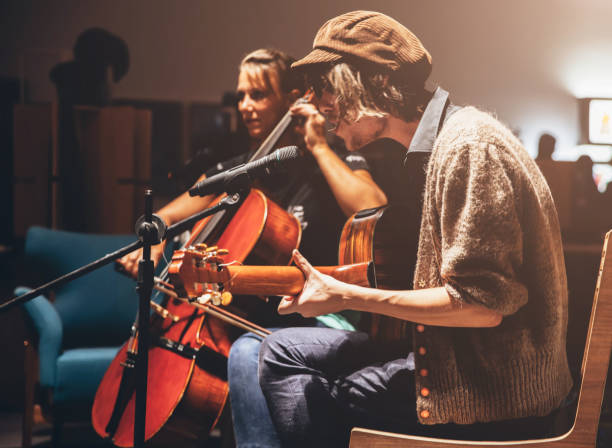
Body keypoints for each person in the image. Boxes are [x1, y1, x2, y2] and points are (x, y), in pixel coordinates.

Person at [254, 11, 573, 447]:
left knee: (329, 398)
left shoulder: (468, 147)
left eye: (327, 86)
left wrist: (347, 295)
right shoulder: (443, 143)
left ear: (367, 83)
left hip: (492, 388)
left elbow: (483, 304)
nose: (319, 103)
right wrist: (334, 280)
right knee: (279, 351)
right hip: (454, 357)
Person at [116, 47, 386, 444]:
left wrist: (320, 147)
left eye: (258, 95)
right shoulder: (236, 171)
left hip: (310, 313)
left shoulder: (330, 162)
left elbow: (372, 206)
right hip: (237, 315)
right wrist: (153, 243)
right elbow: (167, 217)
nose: (245, 106)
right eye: (241, 95)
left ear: (292, 99)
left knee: (246, 352)